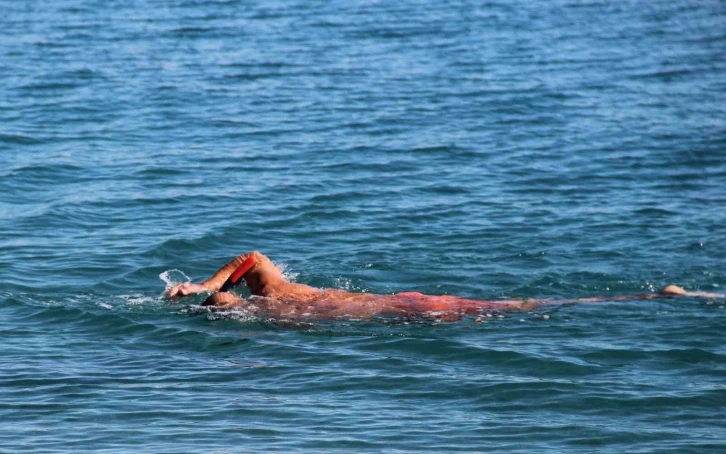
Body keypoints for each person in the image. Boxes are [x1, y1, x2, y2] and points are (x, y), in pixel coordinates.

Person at [165, 251, 723, 321]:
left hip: (403, 313)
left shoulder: (266, 317)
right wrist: (200, 283)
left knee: (514, 310)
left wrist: (200, 290)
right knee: (517, 306)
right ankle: (655, 297)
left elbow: (245, 263)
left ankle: (657, 298)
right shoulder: (278, 290)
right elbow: (252, 256)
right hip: (400, 302)